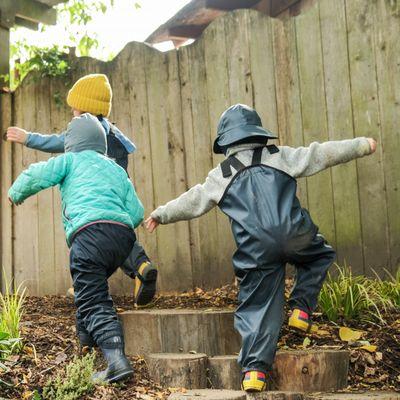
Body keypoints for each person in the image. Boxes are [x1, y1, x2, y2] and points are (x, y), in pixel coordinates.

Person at [145, 104, 377, 392]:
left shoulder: (222, 174)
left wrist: (161, 214)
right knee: (320, 255)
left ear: (226, 142)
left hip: (255, 250)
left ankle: (254, 371)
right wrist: (360, 145)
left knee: (258, 305)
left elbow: (194, 200)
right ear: (258, 133)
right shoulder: (280, 156)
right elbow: (322, 154)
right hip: (295, 234)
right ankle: (301, 310)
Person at [5, 73, 158, 312]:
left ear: (86, 108)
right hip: (117, 195)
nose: (72, 113)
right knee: (117, 225)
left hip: (89, 212)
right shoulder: (113, 134)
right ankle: (141, 265)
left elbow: (57, 143)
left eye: (75, 109)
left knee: (90, 238)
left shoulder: (87, 132)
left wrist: (28, 138)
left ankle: (90, 284)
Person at [9, 113, 142, 383]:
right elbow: (137, 211)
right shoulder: (115, 168)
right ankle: (86, 341)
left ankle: (116, 360)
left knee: (94, 299)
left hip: (89, 236)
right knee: (88, 285)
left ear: (71, 141)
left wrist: (16, 192)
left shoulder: (70, 160)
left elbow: (37, 175)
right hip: (122, 238)